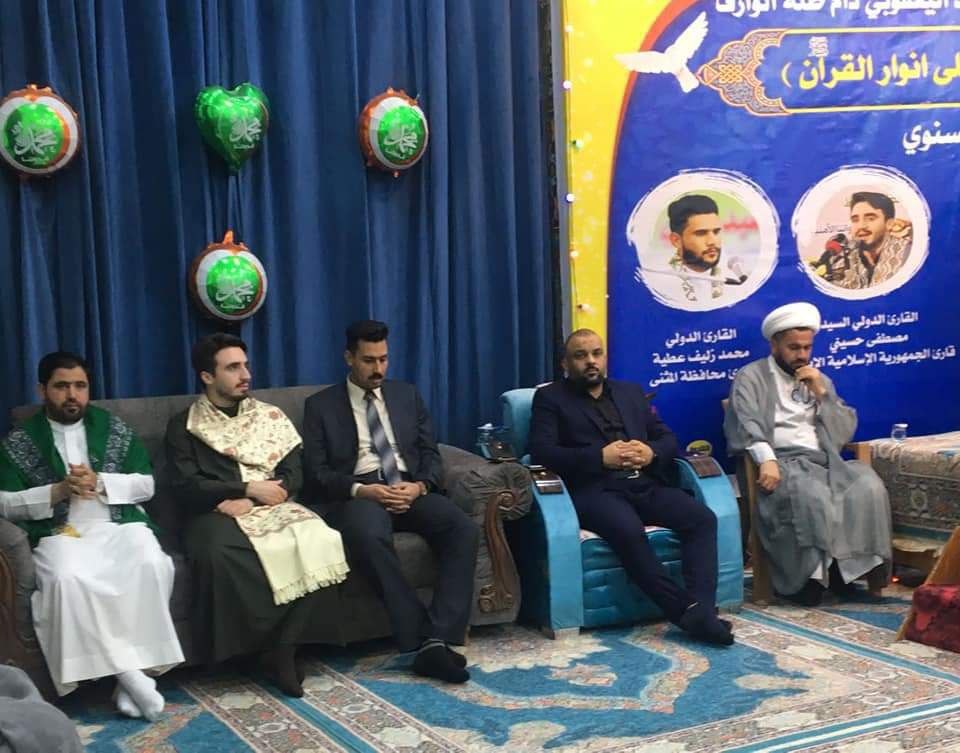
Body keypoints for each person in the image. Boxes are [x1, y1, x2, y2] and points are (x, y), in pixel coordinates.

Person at [0, 352, 183, 720]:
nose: (72, 395)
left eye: (80, 386)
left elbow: (146, 485)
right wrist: (54, 492)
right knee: (65, 579)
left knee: (152, 563)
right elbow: (4, 503)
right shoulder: (20, 441)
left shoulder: (113, 428)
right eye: (62, 386)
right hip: (60, 534)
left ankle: (128, 682)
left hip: (118, 526)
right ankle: (131, 675)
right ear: (42, 390)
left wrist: (101, 482)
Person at [164, 333, 349, 697]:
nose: (245, 375)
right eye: (233, 368)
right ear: (207, 376)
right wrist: (245, 488)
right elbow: (187, 486)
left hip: (272, 505)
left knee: (323, 539)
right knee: (219, 553)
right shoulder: (185, 426)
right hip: (214, 513)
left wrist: (256, 500)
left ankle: (285, 648)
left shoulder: (271, 417)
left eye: (245, 366)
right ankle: (255, 650)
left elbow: (294, 473)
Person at [528, 329, 734, 645]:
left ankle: (703, 611)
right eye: (580, 356)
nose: (591, 361)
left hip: (644, 483)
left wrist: (651, 453)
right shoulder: (550, 399)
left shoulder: (630, 392)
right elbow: (542, 452)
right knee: (629, 531)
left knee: (702, 519)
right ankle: (683, 611)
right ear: (565, 364)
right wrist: (599, 457)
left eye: (596, 353)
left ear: (605, 357)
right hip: (595, 491)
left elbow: (667, 438)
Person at [302, 320, 480, 683]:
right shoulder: (320, 406)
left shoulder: (406, 395)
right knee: (368, 535)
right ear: (349, 358)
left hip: (407, 488)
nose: (378, 369)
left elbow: (430, 453)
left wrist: (420, 486)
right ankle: (417, 639)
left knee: (462, 528)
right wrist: (360, 489)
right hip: (360, 494)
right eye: (369, 360)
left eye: (383, 359)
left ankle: (441, 637)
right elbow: (316, 473)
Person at [724, 302, 892, 605]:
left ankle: (845, 573)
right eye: (793, 348)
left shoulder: (818, 379)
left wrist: (822, 394)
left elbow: (843, 432)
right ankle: (808, 580)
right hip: (782, 462)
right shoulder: (751, 377)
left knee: (868, 486)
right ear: (774, 345)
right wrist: (767, 459)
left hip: (825, 460)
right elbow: (746, 423)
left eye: (807, 347)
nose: (802, 355)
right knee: (812, 495)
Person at [832, 191, 912, 289]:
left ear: (889, 224)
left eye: (870, 218)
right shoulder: (843, 257)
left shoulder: (908, 254)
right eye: (855, 220)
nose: (861, 226)